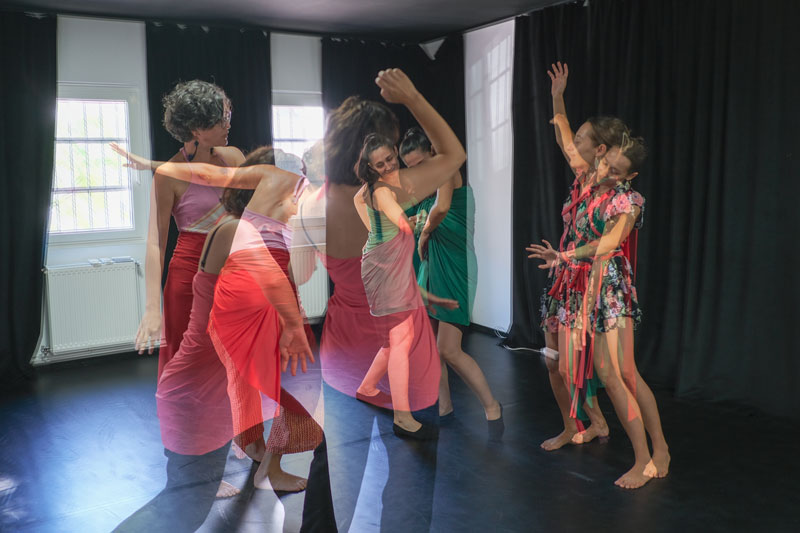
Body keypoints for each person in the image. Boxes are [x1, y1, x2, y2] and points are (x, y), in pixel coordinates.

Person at [527, 110, 670, 489]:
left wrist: (565, 255)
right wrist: (557, 99)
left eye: (617, 171)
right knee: (560, 365)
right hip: (570, 284)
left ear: (629, 176)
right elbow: (565, 141)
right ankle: (586, 424)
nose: (607, 173)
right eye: (606, 164)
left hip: (606, 288)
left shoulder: (628, 200)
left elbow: (609, 243)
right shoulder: (587, 179)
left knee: (619, 374)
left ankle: (653, 452)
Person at [134, 80, 245, 386]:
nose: (228, 124)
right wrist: (152, 308)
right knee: (190, 370)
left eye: (228, 116)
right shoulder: (168, 175)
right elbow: (155, 243)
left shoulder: (234, 157)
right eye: (221, 119)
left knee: (235, 366)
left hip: (234, 271)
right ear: (197, 129)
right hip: (190, 277)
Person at [399, 127, 503, 439]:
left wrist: (425, 232)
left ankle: (492, 406)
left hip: (455, 266)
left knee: (449, 349)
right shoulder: (424, 189)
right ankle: (443, 406)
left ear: (432, 154)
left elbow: (442, 208)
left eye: (420, 164)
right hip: (432, 266)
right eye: (411, 167)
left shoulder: (447, 171)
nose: (418, 172)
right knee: (432, 347)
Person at [533, 62, 614, 451]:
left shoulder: (606, 184)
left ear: (599, 150)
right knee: (552, 360)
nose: (572, 143)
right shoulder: (582, 176)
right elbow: (561, 133)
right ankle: (575, 424)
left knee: (570, 364)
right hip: (561, 275)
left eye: (581, 139)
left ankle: (593, 421)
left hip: (585, 280)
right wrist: (557, 96)